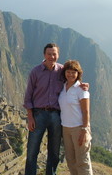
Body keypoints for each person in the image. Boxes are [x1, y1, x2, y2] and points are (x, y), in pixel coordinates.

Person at [24, 43, 64, 175]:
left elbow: (74, 81)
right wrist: (30, 117)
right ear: (44, 55)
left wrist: (83, 86)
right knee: (32, 151)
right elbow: (28, 96)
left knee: (54, 152)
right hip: (39, 114)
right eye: (49, 54)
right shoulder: (36, 71)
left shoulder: (62, 71)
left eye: (54, 54)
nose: (52, 56)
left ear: (58, 55)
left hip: (56, 116)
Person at [58, 60, 93, 175]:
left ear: (78, 74)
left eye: (74, 72)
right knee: (71, 160)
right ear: (65, 73)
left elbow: (86, 111)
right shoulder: (63, 87)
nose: (71, 74)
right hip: (66, 128)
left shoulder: (81, 90)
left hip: (79, 128)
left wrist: (84, 130)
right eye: (68, 72)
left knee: (82, 160)